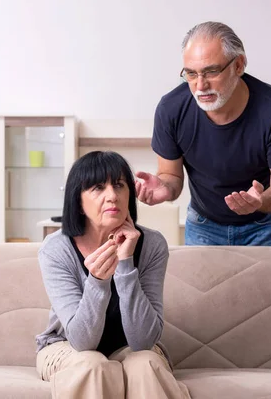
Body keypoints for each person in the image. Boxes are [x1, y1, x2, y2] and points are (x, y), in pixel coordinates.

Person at [35, 150, 190, 399]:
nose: (112, 196)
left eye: (119, 185)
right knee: (93, 365)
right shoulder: (56, 248)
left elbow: (143, 341)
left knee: (145, 364)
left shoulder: (152, 244)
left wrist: (126, 264)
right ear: (78, 200)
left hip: (131, 347)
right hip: (65, 346)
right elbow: (82, 342)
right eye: (98, 187)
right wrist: (97, 281)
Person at [135, 21, 271, 246]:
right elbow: (172, 176)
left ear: (238, 65)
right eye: (191, 74)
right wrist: (165, 188)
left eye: (211, 71)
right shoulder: (171, 109)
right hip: (204, 226)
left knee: (267, 284)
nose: (200, 85)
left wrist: (260, 201)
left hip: (267, 226)